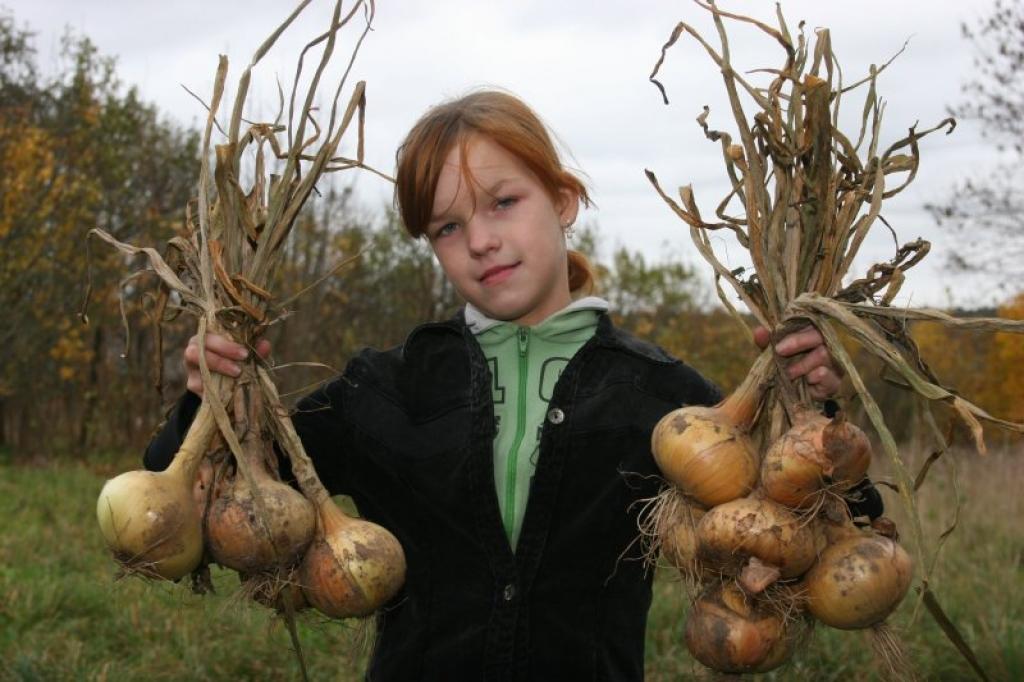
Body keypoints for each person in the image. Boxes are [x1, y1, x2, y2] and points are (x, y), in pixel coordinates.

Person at [144, 90, 859, 681]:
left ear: (564, 200)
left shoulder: (665, 397)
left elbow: (813, 535)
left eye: (503, 203)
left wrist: (814, 409)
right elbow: (192, 493)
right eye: (448, 227)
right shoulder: (384, 388)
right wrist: (213, 401)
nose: (480, 239)